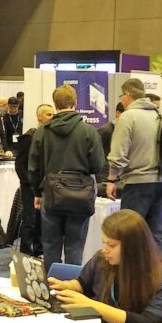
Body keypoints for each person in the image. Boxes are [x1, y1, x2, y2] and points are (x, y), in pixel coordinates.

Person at [29, 85, 105, 266]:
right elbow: (97, 165)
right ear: (75, 102)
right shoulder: (89, 132)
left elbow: (33, 167)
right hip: (80, 197)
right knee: (75, 247)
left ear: (55, 105)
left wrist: (37, 193)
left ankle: (51, 290)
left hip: (51, 194)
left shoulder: (42, 131)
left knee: (50, 247)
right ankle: (71, 289)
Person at [106, 77, 162, 252]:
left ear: (127, 95)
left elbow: (118, 154)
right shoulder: (160, 115)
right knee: (155, 233)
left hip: (138, 183)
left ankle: (130, 277)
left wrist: (111, 180)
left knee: (129, 233)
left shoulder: (128, 117)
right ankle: (158, 276)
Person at [13, 104, 54, 256]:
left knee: (42, 221)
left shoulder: (51, 138)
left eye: (53, 114)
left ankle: (39, 252)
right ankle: (24, 253)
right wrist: (28, 183)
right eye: (49, 114)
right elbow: (20, 165)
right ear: (40, 117)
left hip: (44, 187)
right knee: (29, 221)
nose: (52, 117)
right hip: (29, 187)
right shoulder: (29, 137)